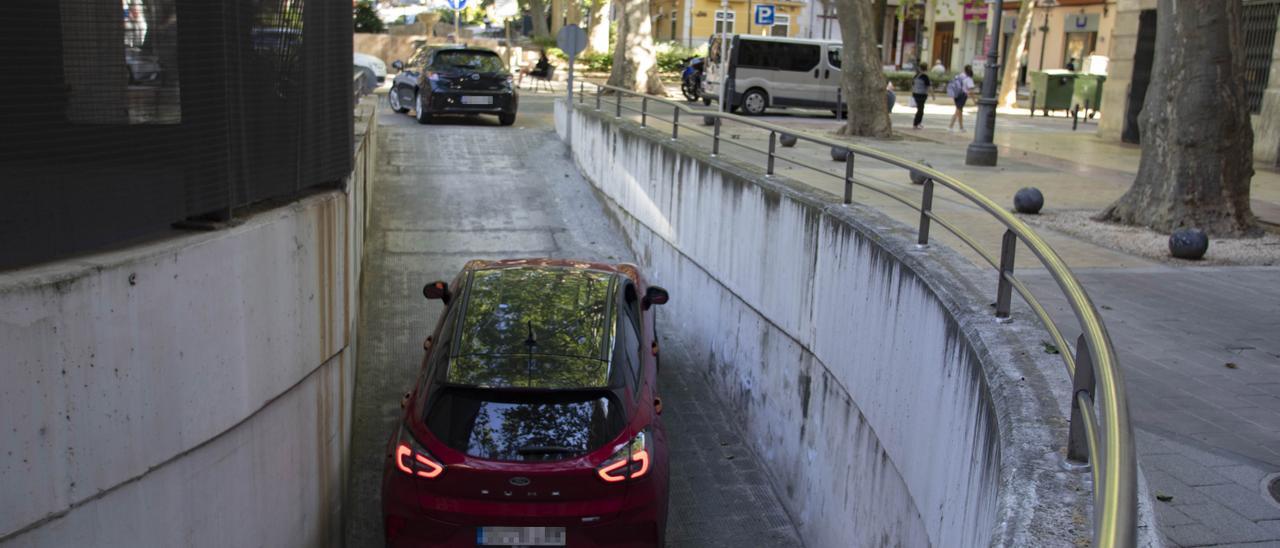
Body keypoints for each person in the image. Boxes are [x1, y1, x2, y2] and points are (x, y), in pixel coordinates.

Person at [947, 65, 977, 132]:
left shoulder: (960, 76)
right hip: (963, 96)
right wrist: (974, 100)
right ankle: (950, 126)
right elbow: (971, 91)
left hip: (956, 94)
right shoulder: (969, 79)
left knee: (960, 111)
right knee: (958, 111)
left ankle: (961, 127)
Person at [910, 65, 931, 129]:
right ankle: (917, 123)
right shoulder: (925, 76)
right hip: (922, 95)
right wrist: (933, 95)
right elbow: (929, 86)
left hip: (915, 94)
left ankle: (916, 123)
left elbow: (912, 84)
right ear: (926, 69)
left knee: (919, 109)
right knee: (920, 110)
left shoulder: (916, 76)